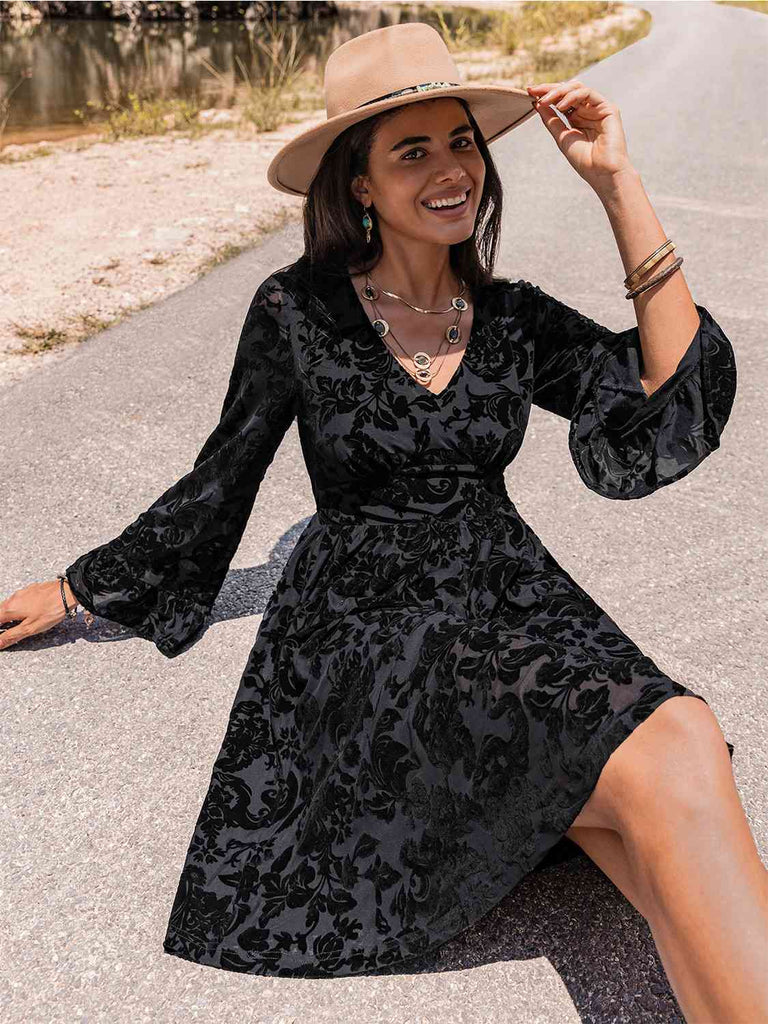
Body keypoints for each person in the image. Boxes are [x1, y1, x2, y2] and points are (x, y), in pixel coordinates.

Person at [1, 21, 763, 1018]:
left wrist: (617, 185)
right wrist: (80, 588)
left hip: (514, 592)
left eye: (462, 143)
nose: (451, 171)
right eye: (413, 152)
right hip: (375, 623)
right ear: (359, 182)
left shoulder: (511, 315)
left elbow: (663, 392)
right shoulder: (298, 310)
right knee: (658, 771)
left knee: (680, 748)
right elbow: (221, 478)